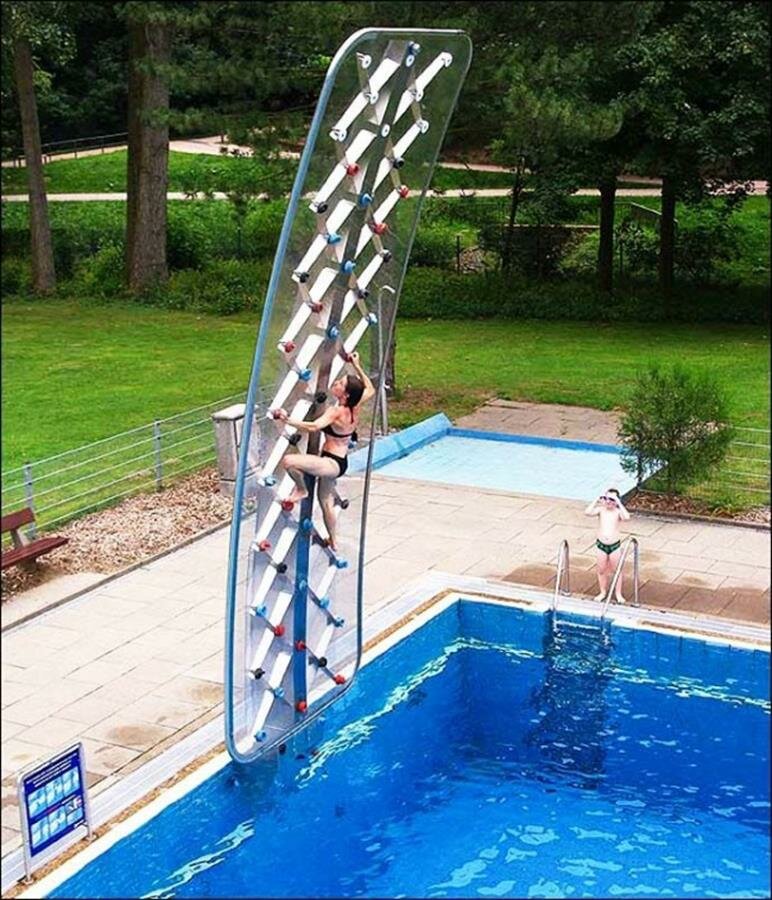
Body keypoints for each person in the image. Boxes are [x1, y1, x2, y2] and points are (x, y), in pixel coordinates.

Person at [275, 351, 375, 550]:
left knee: (288, 462)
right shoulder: (355, 406)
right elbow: (370, 388)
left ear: (345, 394)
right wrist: (356, 365)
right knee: (325, 501)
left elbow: (313, 427)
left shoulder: (336, 412)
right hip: (340, 461)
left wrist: (287, 420)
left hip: (330, 463)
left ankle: (301, 489)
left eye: (340, 384)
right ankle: (334, 540)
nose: (336, 383)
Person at [584, 487, 630, 603]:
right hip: (601, 545)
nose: (608, 501)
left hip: (614, 545)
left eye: (611, 499)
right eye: (606, 498)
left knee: (617, 570)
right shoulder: (601, 510)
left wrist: (618, 502)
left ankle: (618, 593)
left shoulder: (618, 512)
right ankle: (602, 591)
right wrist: (597, 500)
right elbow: (587, 512)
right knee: (601, 569)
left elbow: (627, 517)